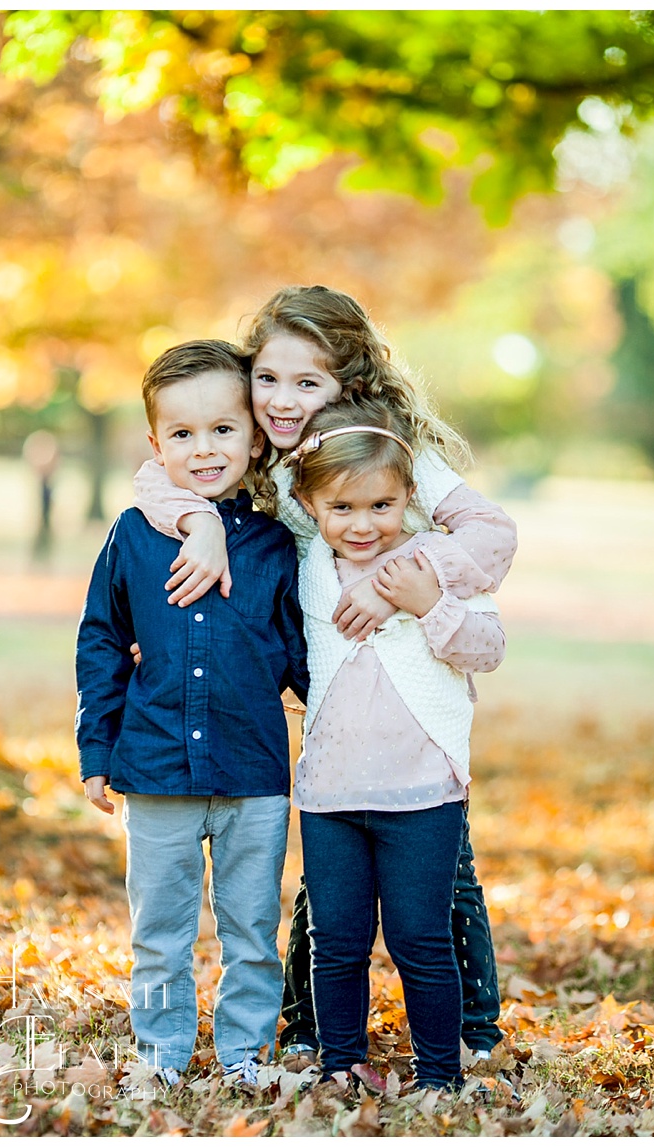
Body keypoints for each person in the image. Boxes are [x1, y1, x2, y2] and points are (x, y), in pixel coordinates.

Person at [130, 285, 514, 1066]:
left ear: (351, 383)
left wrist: (396, 575)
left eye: (307, 382)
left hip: (415, 713)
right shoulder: (253, 452)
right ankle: (315, 1029)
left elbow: (492, 535)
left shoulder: (392, 448)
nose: (281, 398)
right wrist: (199, 520)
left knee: (448, 881)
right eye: (267, 378)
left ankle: (473, 1032)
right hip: (332, 709)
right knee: (327, 886)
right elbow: (154, 477)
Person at [76, 340, 308, 1092]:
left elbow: (303, 653)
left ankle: (246, 1052)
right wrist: (95, 747)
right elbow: (103, 638)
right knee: (160, 930)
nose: (203, 449)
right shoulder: (133, 535)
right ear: (155, 444)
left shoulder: (276, 544)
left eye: (221, 430)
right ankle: (163, 1054)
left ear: (253, 433)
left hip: (253, 774)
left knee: (250, 929)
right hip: (156, 768)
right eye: (181, 434)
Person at [282, 400, 502, 1093]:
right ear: (312, 505)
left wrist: (425, 603)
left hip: (422, 792)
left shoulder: (435, 564)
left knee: (421, 940)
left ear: (409, 495)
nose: (363, 523)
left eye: (382, 504)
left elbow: (487, 646)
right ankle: (340, 1061)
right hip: (330, 794)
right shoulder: (307, 565)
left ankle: (440, 1073)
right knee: (337, 941)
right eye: (343, 506)